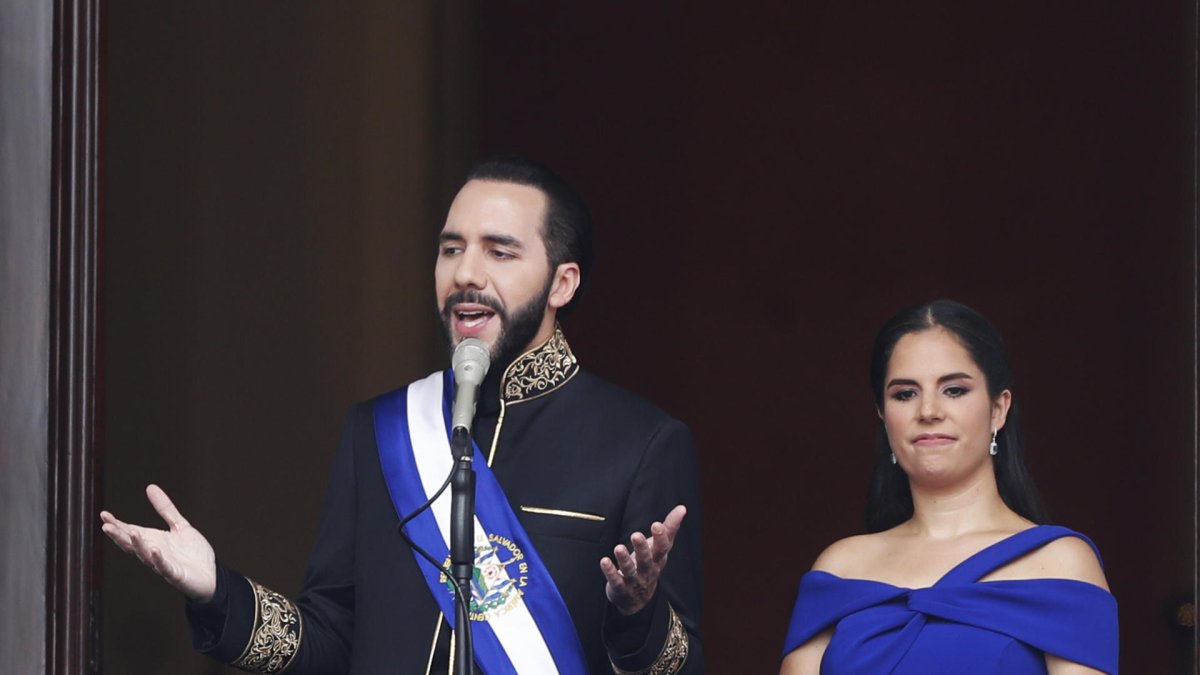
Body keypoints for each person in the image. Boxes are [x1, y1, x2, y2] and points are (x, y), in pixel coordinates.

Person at [101, 156, 703, 674]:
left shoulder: (640, 443)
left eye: (500, 251)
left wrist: (638, 614)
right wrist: (218, 592)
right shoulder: (381, 430)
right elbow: (332, 641)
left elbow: (681, 665)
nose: (466, 273)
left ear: (561, 283)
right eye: (451, 249)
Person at [780, 299, 1118, 675]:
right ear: (882, 414)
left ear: (998, 409)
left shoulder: (1060, 563)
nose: (928, 411)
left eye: (954, 390)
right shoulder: (839, 569)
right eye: (905, 394)